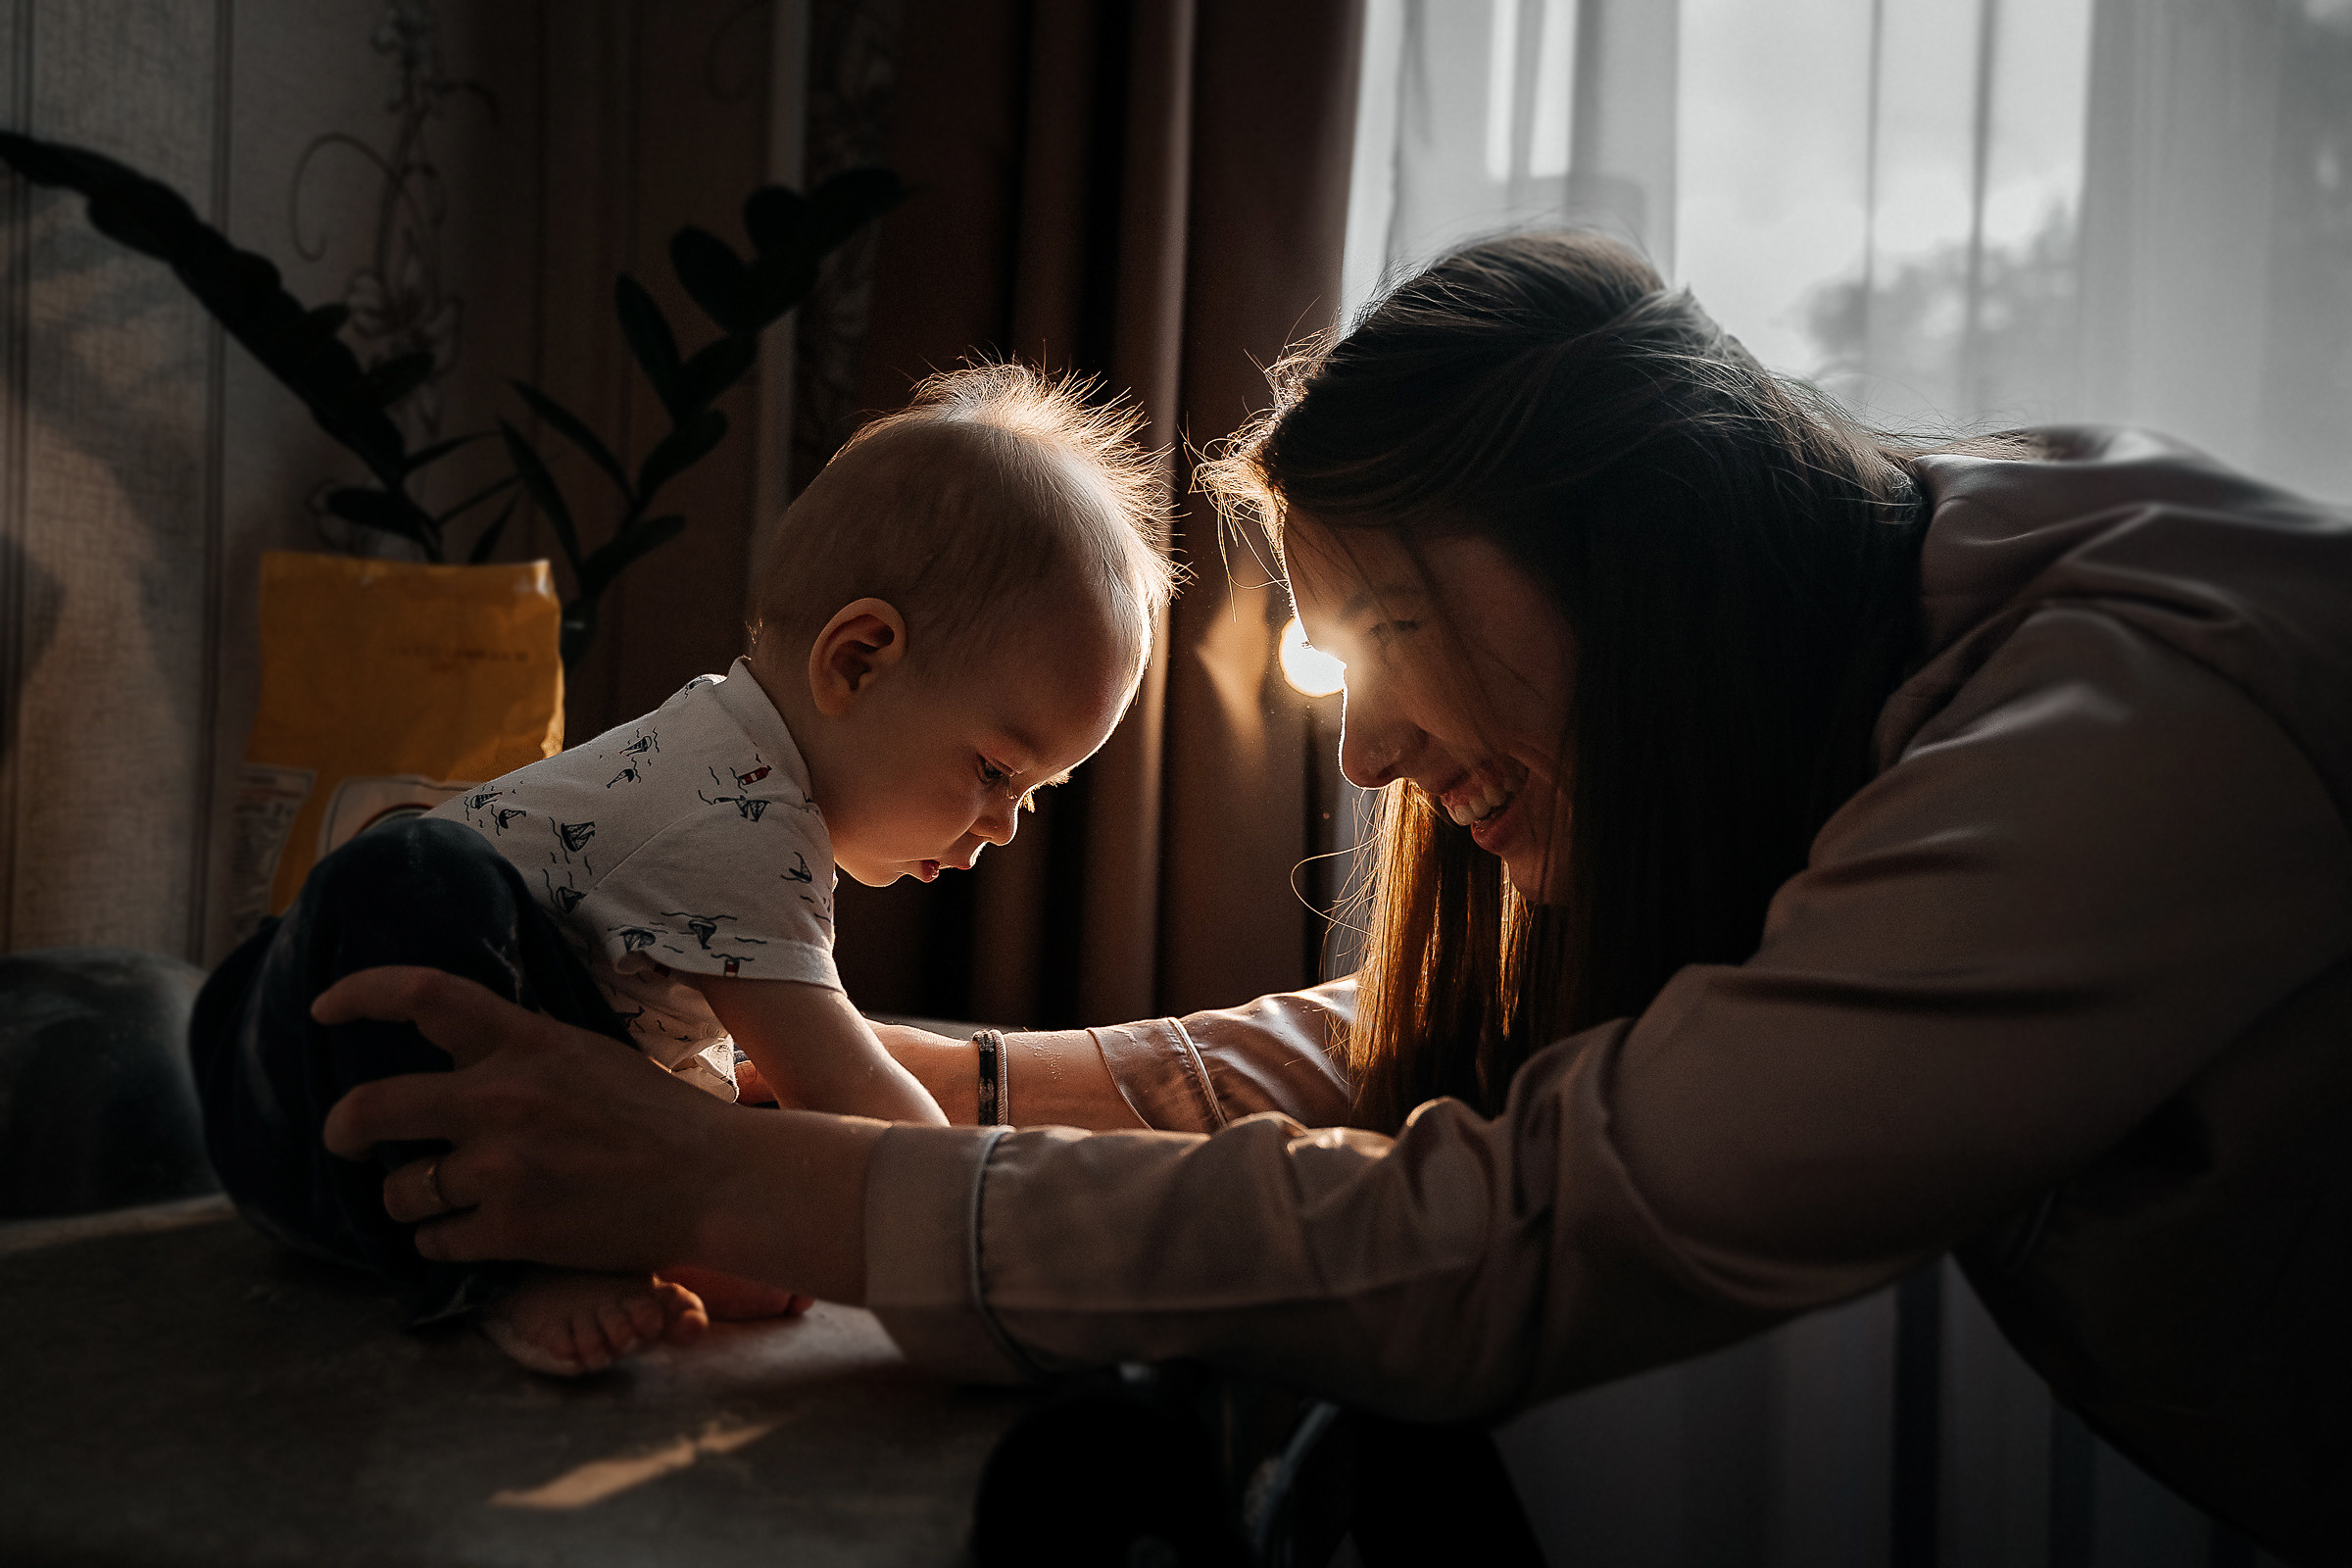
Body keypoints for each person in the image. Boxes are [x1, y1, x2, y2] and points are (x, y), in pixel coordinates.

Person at [312, 234, 2351, 1561]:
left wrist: (705, 1182)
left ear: (1624, 556)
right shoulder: (1868, 615)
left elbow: (1523, 1225)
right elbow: (1393, 1056)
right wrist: (848, 1072)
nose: (1363, 756)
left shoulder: (2131, 726)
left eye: (1383, 620)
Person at [192, 363, 1177, 1376]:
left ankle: (622, 1233)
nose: (1005, 827)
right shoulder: (739, 813)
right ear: (857, 660)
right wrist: (991, 1219)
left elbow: (659, 1065)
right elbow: (864, 1108)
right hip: (320, 1084)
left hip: (292, 1064)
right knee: (408, 869)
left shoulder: (735, 755)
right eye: (995, 769)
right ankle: (521, 1267)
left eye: (1033, 793)